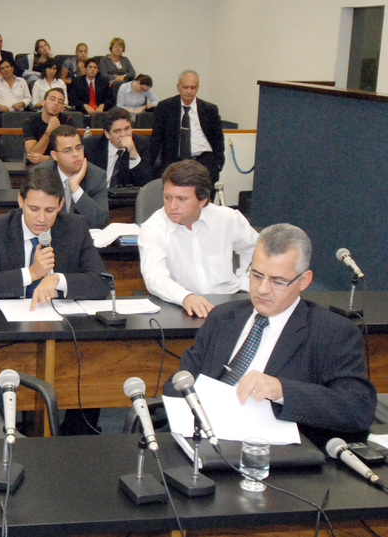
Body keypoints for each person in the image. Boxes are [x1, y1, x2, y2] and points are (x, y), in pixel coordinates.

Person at [164, 223, 377, 446]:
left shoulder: (332, 332)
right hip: (203, 438)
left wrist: (283, 391)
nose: (263, 289)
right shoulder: (222, 317)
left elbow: (357, 408)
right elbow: (178, 382)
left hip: (272, 451)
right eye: (256, 275)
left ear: (304, 280)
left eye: (277, 281)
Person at [0, 167, 110, 309]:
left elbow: (102, 282)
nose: (41, 219)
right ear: (21, 201)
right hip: (9, 319)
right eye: (33, 209)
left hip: (60, 318)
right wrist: (31, 273)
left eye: (49, 210)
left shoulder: (76, 227)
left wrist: (58, 279)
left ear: (60, 205)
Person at [138, 160, 259, 318]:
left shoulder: (228, 218)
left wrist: (245, 284)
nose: (172, 206)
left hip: (228, 303)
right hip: (180, 307)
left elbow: (256, 249)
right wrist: (185, 297)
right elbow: (154, 276)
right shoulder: (153, 228)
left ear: (202, 200)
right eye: (167, 198)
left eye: (182, 199)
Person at [148, 70, 225, 184]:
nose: (189, 91)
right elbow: (156, 138)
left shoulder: (210, 109)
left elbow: (218, 139)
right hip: (174, 161)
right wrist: (150, 165)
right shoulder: (165, 107)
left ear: (197, 88)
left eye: (193, 88)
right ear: (178, 87)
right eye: (185, 87)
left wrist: (218, 163)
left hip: (203, 160)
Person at [32, 125, 109, 228]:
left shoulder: (96, 175)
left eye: (78, 148)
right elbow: (34, 217)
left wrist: (76, 189)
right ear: (55, 155)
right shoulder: (40, 175)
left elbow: (101, 220)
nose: (76, 154)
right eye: (68, 150)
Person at [84, 107, 151, 188]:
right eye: (117, 131)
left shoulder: (141, 144)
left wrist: (133, 154)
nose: (124, 134)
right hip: (98, 193)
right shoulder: (91, 146)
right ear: (107, 134)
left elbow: (145, 183)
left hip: (125, 194)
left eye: (127, 129)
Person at [23, 87, 71, 164]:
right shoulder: (30, 122)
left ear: (62, 108)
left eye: (60, 102)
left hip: (61, 164)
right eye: (52, 99)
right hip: (36, 166)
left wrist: (47, 159)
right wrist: (49, 130)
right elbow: (33, 155)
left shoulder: (67, 121)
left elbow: (71, 153)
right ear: (43, 103)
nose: (56, 103)